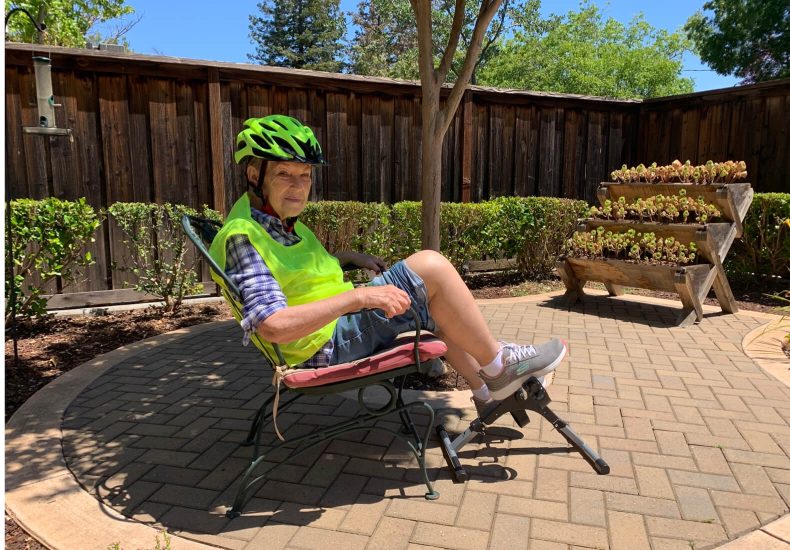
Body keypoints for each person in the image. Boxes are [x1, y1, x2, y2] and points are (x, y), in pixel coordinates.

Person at [209, 114, 568, 415]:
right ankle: (500, 365)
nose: (299, 186)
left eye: (305, 175)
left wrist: (351, 258)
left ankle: (487, 395)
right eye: (285, 174)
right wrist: (361, 299)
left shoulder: (280, 225)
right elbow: (272, 326)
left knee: (434, 303)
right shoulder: (243, 237)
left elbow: (297, 276)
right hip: (324, 345)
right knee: (430, 266)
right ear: (255, 175)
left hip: (334, 329)